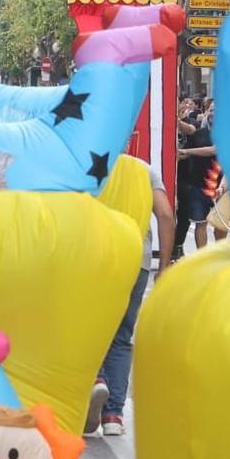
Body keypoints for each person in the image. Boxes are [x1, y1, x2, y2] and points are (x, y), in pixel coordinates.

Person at [87, 155, 176, 438]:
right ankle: (113, 415)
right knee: (122, 336)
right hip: (135, 259)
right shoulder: (144, 171)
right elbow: (164, 214)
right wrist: (162, 265)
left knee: (90, 327)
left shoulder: (85, 163)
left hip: (94, 257)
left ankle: (96, 378)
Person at [178, 97, 223, 250]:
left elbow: (214, 150)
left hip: (220, 187)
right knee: (200, 223)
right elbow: (183, 154)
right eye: (211, 110)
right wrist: (175, 155)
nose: (213, 113)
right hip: (198, 184)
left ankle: (220, 255)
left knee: (220, 226)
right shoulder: (199, 133)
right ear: (206, 112)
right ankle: (202, 256)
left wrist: (186, 151)